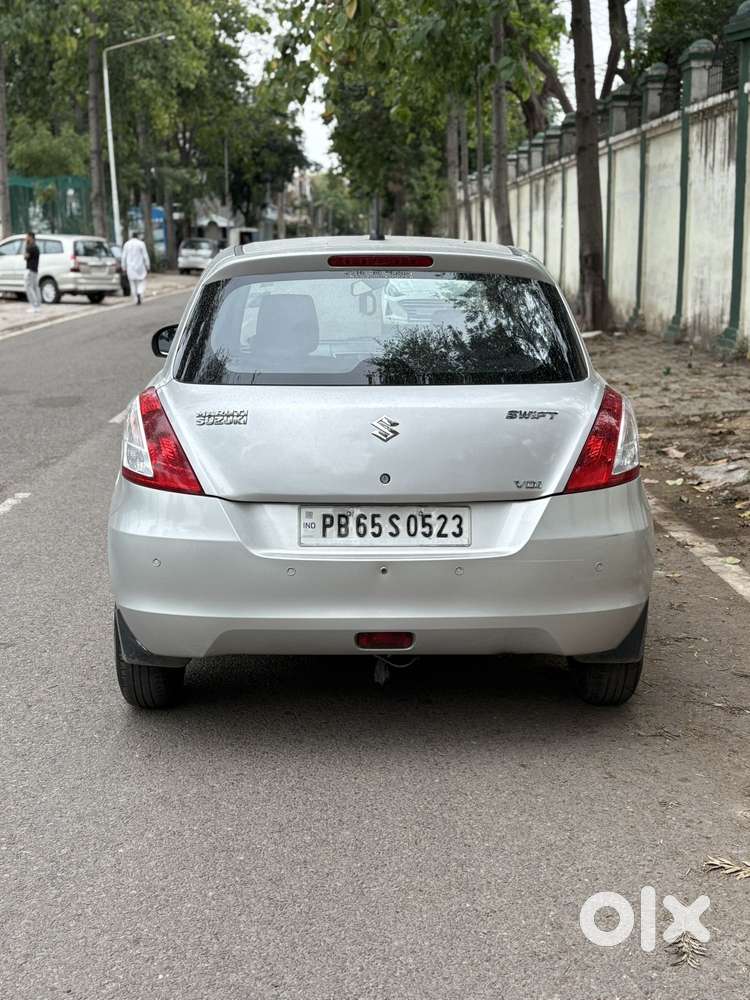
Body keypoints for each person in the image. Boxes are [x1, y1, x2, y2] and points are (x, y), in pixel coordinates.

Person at [121, 231, 150, 305]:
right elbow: (145, 256)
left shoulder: (126, 244)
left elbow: (123, 256)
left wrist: (123, 266)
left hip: (130, 267)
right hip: (140, 266)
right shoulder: (141, 244)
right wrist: (148, 265)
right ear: (137, 236)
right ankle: (139, 292)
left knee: (132, 283)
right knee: (142, 281)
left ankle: (136, 298)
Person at [24, 232, 41, 312]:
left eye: (27, 237)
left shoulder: (29, 247)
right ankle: (38, 305)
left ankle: (34, 306)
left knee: (28, 287)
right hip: (35, 269)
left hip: (30, 270)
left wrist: (25, 245)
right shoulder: (36, 247)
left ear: (30, 237)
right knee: (35, 287)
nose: (26, 238)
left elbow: (25, 257)